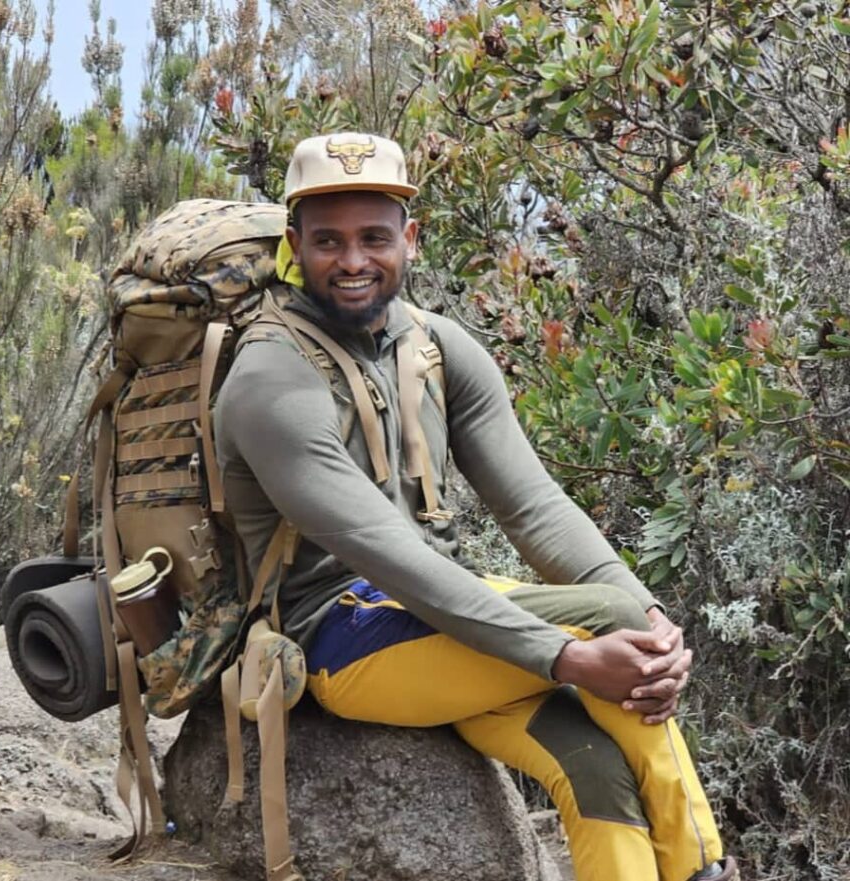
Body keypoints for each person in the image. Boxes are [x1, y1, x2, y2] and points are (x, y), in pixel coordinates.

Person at [214, 131, 737, 881]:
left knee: (593, 763)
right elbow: (383, 551)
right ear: (295, 243)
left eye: (373, 238)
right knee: (607, 623)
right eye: (327, 241)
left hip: (448, 631)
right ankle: (705, 869)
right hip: (340, 639)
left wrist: (651, 623)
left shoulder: (437, 346)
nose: (353, 261)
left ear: (410, 239)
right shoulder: (270, 375)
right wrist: (567, 653)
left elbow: (534, 509)